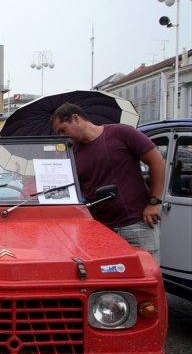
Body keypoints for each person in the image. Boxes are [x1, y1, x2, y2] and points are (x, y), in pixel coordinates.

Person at [50, 103, 165, 261]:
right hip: (102, 229)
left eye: (63, 130)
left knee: (145, 277)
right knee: (111, 283)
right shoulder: (72, 153)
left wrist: (154, 202)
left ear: (75, 119)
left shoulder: (121, 133)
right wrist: (58, 163)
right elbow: (72, 191)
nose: (63, 136)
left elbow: (157, 162)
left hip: (136, 224)